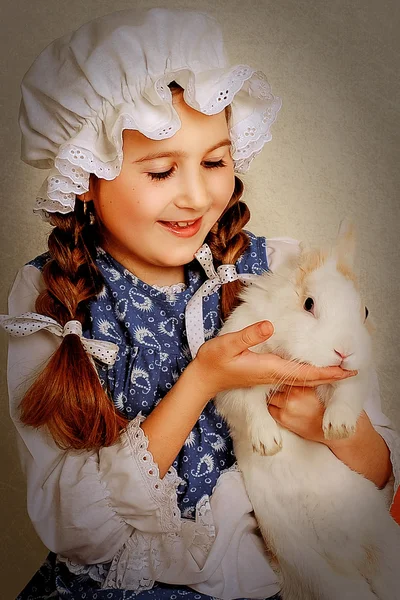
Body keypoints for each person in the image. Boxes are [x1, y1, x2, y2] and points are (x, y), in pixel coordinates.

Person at [1, 7, 398, 600]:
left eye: (215, 161)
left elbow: (380, 477)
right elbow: (75, 529)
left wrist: (334, 429)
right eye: (161, 170)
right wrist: (202, 380)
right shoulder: (56, 300)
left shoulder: (281, 273)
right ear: (87, 177)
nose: (195, 194)